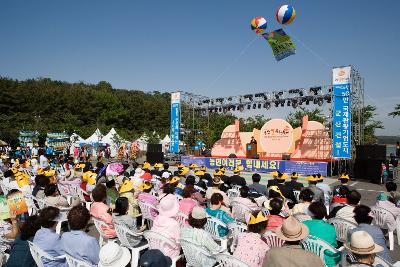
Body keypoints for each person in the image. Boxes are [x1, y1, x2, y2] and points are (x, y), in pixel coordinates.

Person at [303, 202, 340, 267]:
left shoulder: (303, 224)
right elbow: (334, 245)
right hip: (327, 261)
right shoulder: (331, 228)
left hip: (307, 258)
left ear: (310, 213)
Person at [151, 193, 181, 259]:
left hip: (155, 247)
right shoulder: (174, 224)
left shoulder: (157, 218)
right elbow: (178, 241)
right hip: (167, 254)